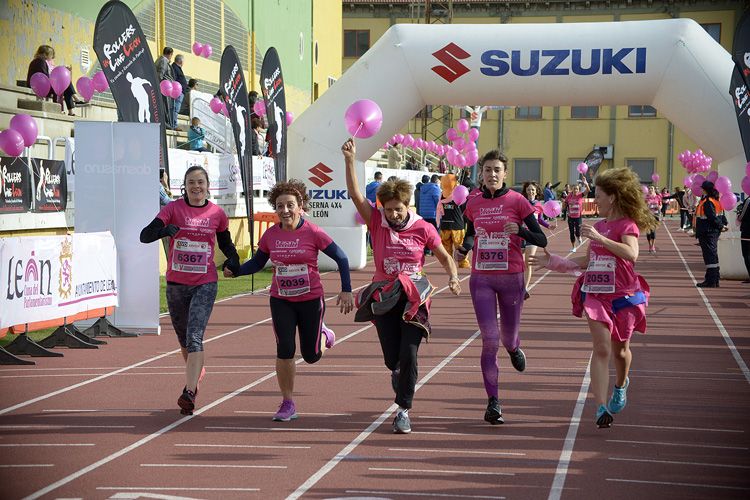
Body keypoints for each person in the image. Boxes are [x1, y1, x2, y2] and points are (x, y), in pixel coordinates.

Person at [342, 138, 461, 434]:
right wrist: (350, 160)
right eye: (389, 209)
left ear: (407, 205)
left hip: (414, 297)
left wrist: (454, 276)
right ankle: (397, 372)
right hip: (383, 295)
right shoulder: (378, 222)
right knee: (391, 357)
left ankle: (403, 409)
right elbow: (356, 196)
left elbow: (444, 256)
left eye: (399, 209)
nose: (394, 215)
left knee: (410, 353)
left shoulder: (423, 227)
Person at [529, 167, 656, 429]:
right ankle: (600, 406)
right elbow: (587, 260)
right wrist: (551, 261)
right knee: (601, 348)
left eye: (598, 196)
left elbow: (631, 255)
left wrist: (600, 238)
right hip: (597, 294)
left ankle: (621, 385)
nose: (595, 200)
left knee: (620, 351)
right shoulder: (598, 225)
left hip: (624, 295)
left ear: (613, 197)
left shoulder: (626, 225)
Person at [224, 179, 353, 421]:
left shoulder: (313, 232)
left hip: (311, 299)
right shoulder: (271, 235)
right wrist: (238, 271)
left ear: (300, 205)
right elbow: (258, 262)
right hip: (281, 299)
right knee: (285, 348)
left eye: (290, 205)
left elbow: (342, 258)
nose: (285, 211)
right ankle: (287, 402)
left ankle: (326, 335)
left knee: (312, 355)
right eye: (280, 206)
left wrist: (346, 290)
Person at [456, 150, 548, 425]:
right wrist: (464, 249)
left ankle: (514, 347)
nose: (492, 174)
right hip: (481, 278)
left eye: (497, 170)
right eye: (487, 170)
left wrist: (520, 231)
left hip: (511, 278)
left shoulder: (518, 201)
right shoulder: (473, 204)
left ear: (505, 173)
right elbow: (471, 235)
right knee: (489, 339)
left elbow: (541, 239)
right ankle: (493, 401)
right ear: (481, 174)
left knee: (507, 338)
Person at [139, 166, 240, 415]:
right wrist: (165, 230)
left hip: (205, 282)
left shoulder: (217, 213)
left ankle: (190, 392)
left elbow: (227, 244)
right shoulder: (172, 209)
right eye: (191, 182)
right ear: (185, 186)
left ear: (207, 186)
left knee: (195, 337)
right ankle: (197, 371)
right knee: (184, 340)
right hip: (176, 285)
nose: (196, 187)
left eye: (200, 182)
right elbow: (145, 235)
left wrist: (233, 261)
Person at [521, 181, 554, 299]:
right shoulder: (521, 203)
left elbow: (539, 219)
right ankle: (516, 284)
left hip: (533, 236)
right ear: (526, 191)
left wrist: (548, 226)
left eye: (533, 190)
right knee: (519, 263)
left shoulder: (539, 205)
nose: (531, 192)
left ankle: (524, 288)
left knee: (528, 262)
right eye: (529, 190)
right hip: (521, 235)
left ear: (536, 192)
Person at [27, 45, 80, 115]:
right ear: (45, 54)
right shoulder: (41, 62)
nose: (51, 58)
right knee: (60, 84)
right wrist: (56, 79)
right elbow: (45, 76)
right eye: (50, 55)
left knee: (64, 83)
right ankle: (65, 106)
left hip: (39, 83)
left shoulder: (38, 61)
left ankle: (71, 109)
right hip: (40, 85)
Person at [694, 181, 725, 288]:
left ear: (705, 189)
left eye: (702, 188)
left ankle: (711, 280)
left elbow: (711, 217)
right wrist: (723, 225)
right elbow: (721, 215)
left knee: (709, 256)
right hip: (711, 232)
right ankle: (714, 278)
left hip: (707, 232)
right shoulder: (715, 200)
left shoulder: (707, 202)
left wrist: (721, 226)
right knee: (712, 255)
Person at [437, 174, 470, 269]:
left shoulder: (441, 196)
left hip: (445, 225)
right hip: (457, 226)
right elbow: (465, 208)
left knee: (446, 248)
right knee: (460, 247)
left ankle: (448, 264)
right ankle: (463, 264)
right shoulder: (460, 192)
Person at [564, 179, 589, 252]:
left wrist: (585, 183)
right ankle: (573, 247)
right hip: (570, 217)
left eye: (577, 189)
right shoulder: (569, 196)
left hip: (578, 217)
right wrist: (563, 206)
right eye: (574, 189)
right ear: (572, 189)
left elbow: (588, 190)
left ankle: (578, 237)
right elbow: (565, 204)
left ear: (578, 190)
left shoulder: (580, 195)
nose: (575, 190)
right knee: (571, 232)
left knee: (577, 232)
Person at [155, 47, 175, 129]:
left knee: (166, 105)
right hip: (164, 88)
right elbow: (161, 73)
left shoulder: (161, 59)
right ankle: (165, 123)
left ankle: (166, 122)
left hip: (165, 87)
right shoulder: (163, 60)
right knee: (165, 105)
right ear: (170, 54)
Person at [171, 54, 188, 128]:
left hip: (180, 92)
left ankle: (174, 124)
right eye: (183, 61)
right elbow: (173, 79)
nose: (183, 63)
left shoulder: (177, 68)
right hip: (177, 92)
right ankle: (174, 125)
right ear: (180, 61)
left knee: (176, 109)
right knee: (175, 109)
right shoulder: (174, 68)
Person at [644, 185, 662, 254]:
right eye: (649, 188)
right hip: (648, 215)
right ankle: (649, 245)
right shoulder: (646, 197)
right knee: (648, 231)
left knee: (653, 231)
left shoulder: (658, 197)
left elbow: (660, 205)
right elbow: (643, 206)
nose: (650, 189)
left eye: (652, 188)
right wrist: (647, 206)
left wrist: (659, 207)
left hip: (656, 215)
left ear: (654, 189)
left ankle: (653, 245)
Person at [737, 195, 750, 284]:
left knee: (747, 254)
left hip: (748, 230)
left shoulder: (748, 200)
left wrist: (738, 215)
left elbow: (742, 215)